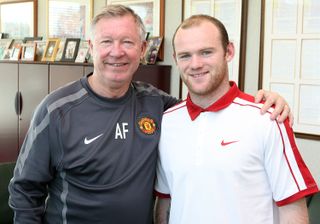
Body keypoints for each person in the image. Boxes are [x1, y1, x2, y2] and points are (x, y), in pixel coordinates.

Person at [8, 5, 291, 224]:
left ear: (143, 50)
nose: (116, 52)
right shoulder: (57, 110)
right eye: (106, 42)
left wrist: (263, 99)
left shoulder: (159, 105)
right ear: (91, 48)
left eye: (128, 42)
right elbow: (24, 191)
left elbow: (206, 104)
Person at [154, 15, 319, 224]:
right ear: (176, 60)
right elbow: (165, 202)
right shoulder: (167, 122)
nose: (195, 64)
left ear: (228, 52)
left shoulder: (267, 118)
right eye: (185, 55)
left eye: (206, 52)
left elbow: (292, 208)